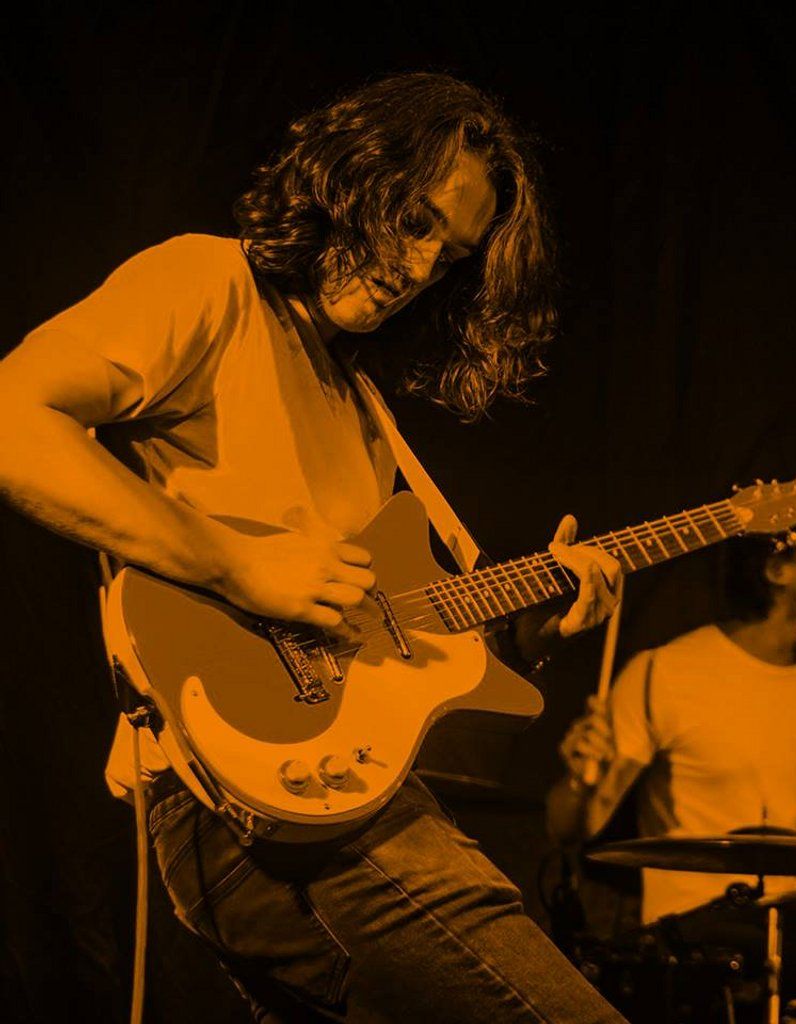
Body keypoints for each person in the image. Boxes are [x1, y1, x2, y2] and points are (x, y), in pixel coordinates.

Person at [0, 73, 629, 1023]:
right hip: (251, 804)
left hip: (332, 790)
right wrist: (237, 563)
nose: (421, 266)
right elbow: (16, 420)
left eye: (451, 256)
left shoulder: (360, 407)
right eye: (414, 221)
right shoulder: (208, 281)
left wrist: (522, 635)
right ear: (350, 175)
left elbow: (373, 645)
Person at [547, 509, 796, 925]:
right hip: (692, 936)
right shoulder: (664, 671)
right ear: (777, 569)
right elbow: (572, 829)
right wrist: (580, 782)